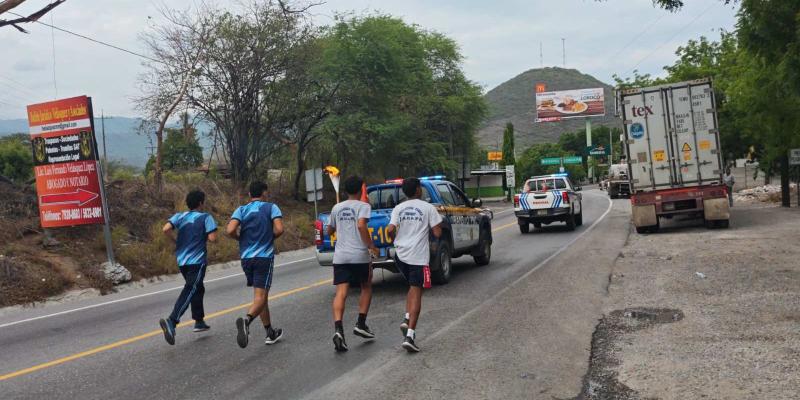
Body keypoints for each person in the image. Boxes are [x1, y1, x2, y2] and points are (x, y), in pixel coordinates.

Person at [387, 178, 443, 353]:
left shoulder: (398, 208)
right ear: (418, 190)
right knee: (417, 290)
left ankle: (406, 318)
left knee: (412, 286)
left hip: (400, 255)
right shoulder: (428, 208)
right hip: (418, 256)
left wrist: (392, 237)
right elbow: (437, 232)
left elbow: (390, 229)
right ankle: (410, 335)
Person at [227, 181, 284, 348]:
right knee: (261, 296)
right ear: (264, 193)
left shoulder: (241, 209)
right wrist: (268, 237)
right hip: (263, 257)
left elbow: (230, 230)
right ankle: (246, 321)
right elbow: (280, 229)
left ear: (250, 194)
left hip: (246, 258)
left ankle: (269, 332)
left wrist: (240, 239)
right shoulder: (271, 207)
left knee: (260, 296)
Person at [159, 189, 218, 345]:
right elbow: (212, 238)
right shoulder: (206, 217)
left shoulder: (180, 216)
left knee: (198, 288)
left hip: (182, 261)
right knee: (191, 288)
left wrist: (176, 241)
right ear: (201, 203)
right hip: (197, 261)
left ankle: (199, 321)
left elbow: (165, 229)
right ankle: (172, 321)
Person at [328, 176, 379, 352]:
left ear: (346, 191)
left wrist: (337, 224)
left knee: (341, 292)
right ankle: (361, 324)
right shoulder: (364, 206)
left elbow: (329, 230)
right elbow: (361, 225)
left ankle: (338, 330)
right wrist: (371, 246)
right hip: (359, 256)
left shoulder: (336, 207)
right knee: (366, 286)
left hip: (340, 256)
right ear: (360, 190)